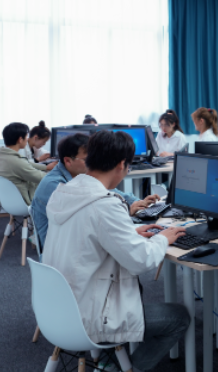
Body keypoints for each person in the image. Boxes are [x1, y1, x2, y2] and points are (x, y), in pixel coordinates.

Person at [42, 130, 189, 372]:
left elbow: (88, 236)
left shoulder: (64, 192)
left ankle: (110, 361)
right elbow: (141, 261)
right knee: (178, 317)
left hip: (56, 309)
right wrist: (162, 239)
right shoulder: (103, 205)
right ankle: (119, 369)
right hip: (89, 316)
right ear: (122, 165)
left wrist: (131, 233)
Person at [32, 133, 160, 248]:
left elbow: (112, 191)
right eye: (87, 159)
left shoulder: (80, 177)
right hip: (61, 251)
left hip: (76, 244)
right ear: (68, 161)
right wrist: (127, 211)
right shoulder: (56, 186)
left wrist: (137, 202)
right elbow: (91, 218)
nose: (93, 163)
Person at [0, 123, 56, 204]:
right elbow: (42, 177)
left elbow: (26, 163)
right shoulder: (17, 161)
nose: (27, 139)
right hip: (23, 202)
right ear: (20, 139)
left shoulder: (4, 154)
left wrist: (45, 167)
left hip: (7, 201)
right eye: (26, 137)